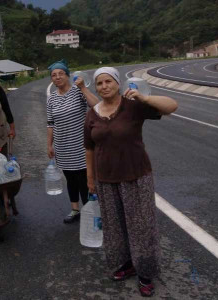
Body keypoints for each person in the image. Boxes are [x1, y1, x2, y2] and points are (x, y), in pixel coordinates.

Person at [84, 67, 178, 297]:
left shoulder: (133, 106)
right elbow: (89, 147)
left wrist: (144, 97)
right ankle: (126, 264)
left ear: (117, 83)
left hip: (136, 177)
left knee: (141, 227)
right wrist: (90, 178)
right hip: (106, 180)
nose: (104, 86)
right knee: (116, 226)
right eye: (100, 83)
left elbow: (171, 106)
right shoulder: (92, 113)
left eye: (108, 81)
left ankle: (145, 272)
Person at [46, 59, 99, 223]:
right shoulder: (51, 99)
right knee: (70, 179)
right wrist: (49, 144)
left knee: (85, 180)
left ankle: (90, 212)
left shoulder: (78, 92)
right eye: (54, 75)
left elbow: (96, 106)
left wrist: (83, 87)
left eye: (61, 73)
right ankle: (75, 210)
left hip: (81, 145)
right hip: (62, 147)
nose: (57, 77)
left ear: (68, 76)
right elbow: (50, 123)